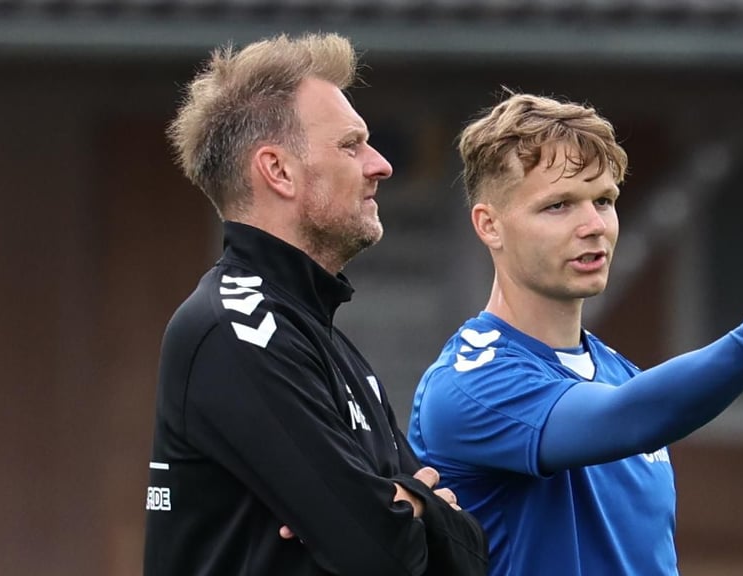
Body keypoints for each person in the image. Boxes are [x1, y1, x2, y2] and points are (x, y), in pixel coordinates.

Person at [407, 93, 743, 576]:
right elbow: (628, 417)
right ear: (490, 225)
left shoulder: (621, 375)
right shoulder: (468, 382)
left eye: (604, 200)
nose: (593, 225)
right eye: (558, 205)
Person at [143, 33, 487, 576]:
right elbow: (380, 553)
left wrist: (404, 506)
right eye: (351, 145)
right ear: (278, 170)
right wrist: (411, 506)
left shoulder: (324, 341)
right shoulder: (237, 327)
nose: (381, 165)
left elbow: (467, 555)